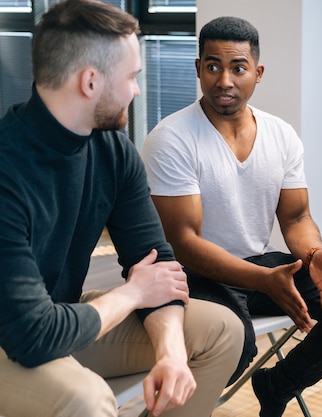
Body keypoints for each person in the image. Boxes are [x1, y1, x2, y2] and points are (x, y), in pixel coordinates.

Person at [0, 1, 245, 416]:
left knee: (222, 330)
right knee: (85, 399)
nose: (136, 89)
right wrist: (132, 292)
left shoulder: (114, 150)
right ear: (90, 82)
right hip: (14, 338)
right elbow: (32, 334)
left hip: (65, 319)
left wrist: (170, 353)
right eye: (131, 76)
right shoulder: (8, 168)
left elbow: (157, 265)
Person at [141, 15, 322, 417]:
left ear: (258, 73)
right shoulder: (172, 138)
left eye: (238, 68)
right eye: (212, 66)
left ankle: (278, 384)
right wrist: (264, 280)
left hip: (259, 265)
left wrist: (315, 256)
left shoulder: (281, 135)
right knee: (237, 345)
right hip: (195, 274)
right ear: (198, 68)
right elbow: (185, 243)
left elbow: (297, 218)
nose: (224, 80)